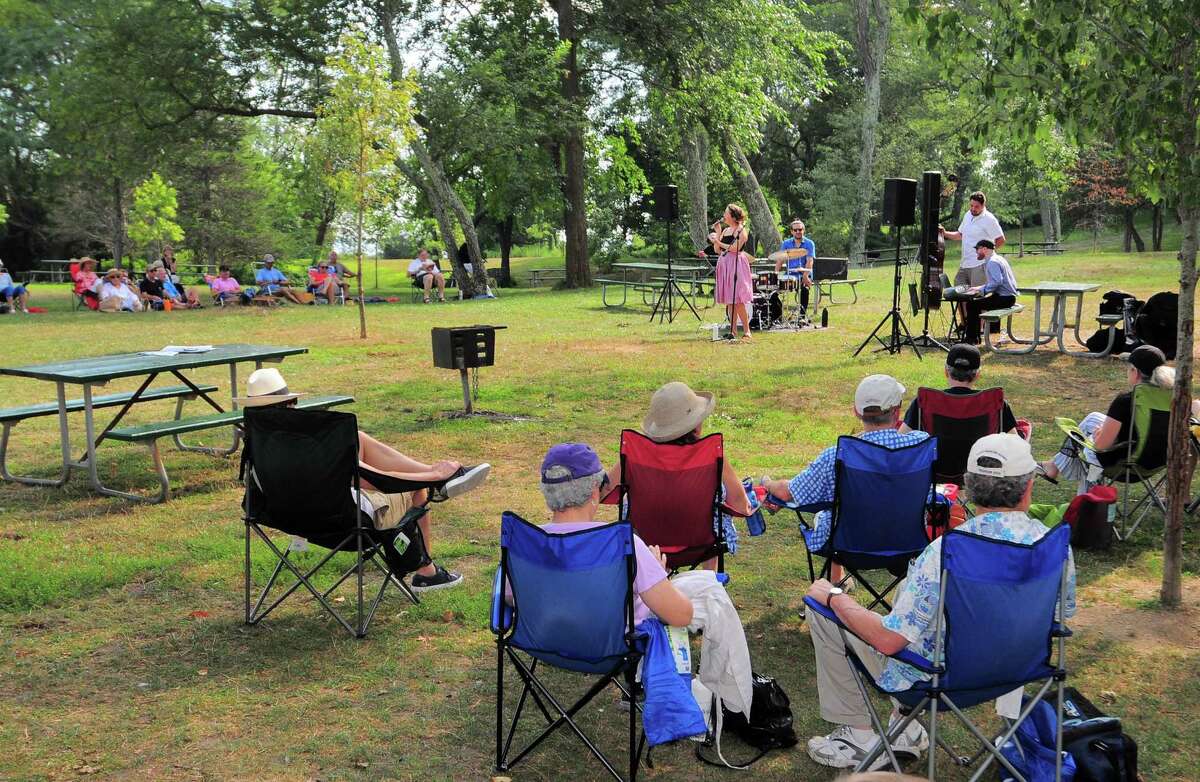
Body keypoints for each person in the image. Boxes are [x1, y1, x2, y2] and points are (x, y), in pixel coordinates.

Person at [803, 433, 1076, 770]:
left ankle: (858, 737)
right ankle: (907, 729)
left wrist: (834, 597)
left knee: (822, 608)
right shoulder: (1055, 545)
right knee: (912, 595)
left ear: (969, 486)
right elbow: (1062, 615)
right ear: (1029, 485)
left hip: (939, 678)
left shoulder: (948, 552)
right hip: (1019, 668)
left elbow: (890, 640)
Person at [530, 442, 755, 717]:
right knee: (710, 592)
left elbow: (509, 598)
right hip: (612, 645)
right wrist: (655, 573)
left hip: (544, 641)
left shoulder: (527, 543)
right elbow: (681, 615)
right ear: (593, 492)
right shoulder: (622, 545)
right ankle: (728, 702)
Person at [235, 367, 491, 592]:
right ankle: (427, 572)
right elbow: (373, 479)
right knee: (417, 491)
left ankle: (437, 475)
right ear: (290, 403)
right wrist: (428, 478)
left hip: (283, 516)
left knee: (358, 440)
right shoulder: (310, 445)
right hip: (344, 522)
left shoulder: (256, 441)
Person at [761, 375, 929, 583]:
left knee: (830, 515)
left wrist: (767, 483)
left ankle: (835, 586)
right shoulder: (921, 448)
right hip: (909, 543)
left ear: (856, 411)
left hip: (847, 546)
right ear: (898, 410)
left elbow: (790, 492)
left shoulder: (838, 455)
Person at [604, 382, 754, 567]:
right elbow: (740, 505)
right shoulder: (711, 454)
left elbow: (605, 490)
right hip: (702, 544)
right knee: (716, 511)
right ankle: (708, 578)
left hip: (646, 544)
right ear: (696, 425)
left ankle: (654, 581)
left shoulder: (637, 454)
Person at [1041, 345, 1173, 492]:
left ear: (1135, 372)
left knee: (1090, 448)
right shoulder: (1175, 398)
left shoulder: (1125, 401)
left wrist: (1098, 436)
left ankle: (1088, 502)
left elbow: (1101, 447)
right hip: (1157, 463)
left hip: (1124, 465)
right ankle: (1054, 466)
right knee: (1093, 418)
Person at [897, 343, 1020, 436]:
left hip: (936, 468)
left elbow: (901, 438)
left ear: (946, 371)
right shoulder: (995, 403)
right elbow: (1015, 443)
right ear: (977, 375)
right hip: (981, 468)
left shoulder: (924, 402)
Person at [940, 190, 1005, 289]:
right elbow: (960, 235)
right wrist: (944, 233)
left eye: (976, 207)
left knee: (976, 297)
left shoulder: (989, 219)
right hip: (964, 264)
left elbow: (1001, 239)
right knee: (959, 294)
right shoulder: (968, 215)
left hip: (980, 265)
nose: (973, 209)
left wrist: (988, 254)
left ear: (983, 205)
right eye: (971, 206)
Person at [962, 239, 1018, 344]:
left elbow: (997, 282)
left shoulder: (992, 262)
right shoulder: (999, 259)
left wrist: (982, 291)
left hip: (1004, 299)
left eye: (977, 249)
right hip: (1008, 297)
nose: (976, 252)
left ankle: (971, 339)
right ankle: (975, 337)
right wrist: (979, 288)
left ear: (984, 248)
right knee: (974, 304)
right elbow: (996, 281)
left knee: (971, 305)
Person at [711, 204, 753, 340]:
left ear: (733, 216)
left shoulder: (740, 230)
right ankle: (733, 331)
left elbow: (735, 248)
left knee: (738, 299)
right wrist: (718, 233)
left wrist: (718, 241)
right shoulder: (725, 230)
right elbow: (717, 250)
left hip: (736, 263)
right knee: (730, 300)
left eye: (726, 212)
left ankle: (747, 331)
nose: (724, 214)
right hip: (724, 263)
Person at [776, 219, 816, 314]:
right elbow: (780, 260)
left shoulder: (809, 243)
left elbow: (810, 261)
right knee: (772, 293)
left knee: (804, 290)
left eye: (800, 229)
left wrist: (805, 276)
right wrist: (775, 274)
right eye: (795, 230)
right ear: (791, 231)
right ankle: (778, 315)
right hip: (789, 274)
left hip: (804, 273)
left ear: (803, 230)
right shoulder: (786, 244)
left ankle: (802, 316)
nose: (798, 232)